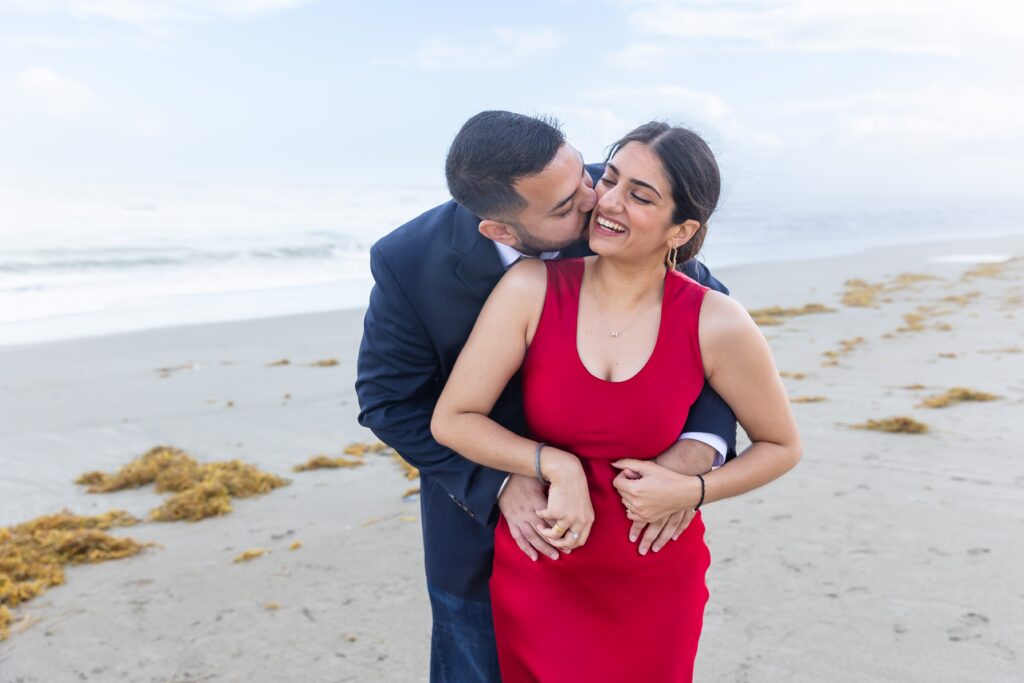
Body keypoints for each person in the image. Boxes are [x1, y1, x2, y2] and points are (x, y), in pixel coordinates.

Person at [356, 111, 737, 682]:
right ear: (501, 231)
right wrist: (503, 480)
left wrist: (697, 453)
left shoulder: (603, 197)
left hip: (627, 535)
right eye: (565, 207)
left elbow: (703, 318)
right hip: (483, 536)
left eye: (587, 175)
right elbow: (389, 402)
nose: (594, 201)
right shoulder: (409, 263)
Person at [431, 121, 802, 682]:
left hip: (654, 582)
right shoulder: (532, 287)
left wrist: (695, 489)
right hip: (542, 568)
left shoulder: (718, 322)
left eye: (640, 195)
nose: (608, 202)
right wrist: (550, 463)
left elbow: (781, 445)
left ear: (682, 230)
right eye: (610, 179)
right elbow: (453, 419)